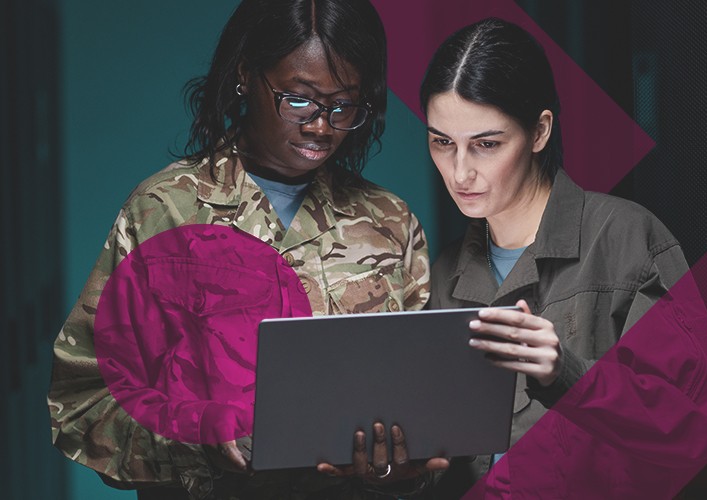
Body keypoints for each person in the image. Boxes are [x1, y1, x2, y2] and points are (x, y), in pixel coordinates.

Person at [47, 1, 441, 498]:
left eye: (343, 106)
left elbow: (429, 408)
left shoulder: (390, 223)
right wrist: (199, 437)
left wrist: (399, 466)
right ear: (245, 75)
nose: (321, 127)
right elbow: (84, 402)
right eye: (299, 99)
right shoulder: (166, 211)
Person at [420, 18, 707, 497]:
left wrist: (567, 373)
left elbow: (698, 433)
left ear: (540, 131)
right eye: (443, 142)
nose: (461, 171)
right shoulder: (443, 274)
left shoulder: (628, 240)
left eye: (486, 145)